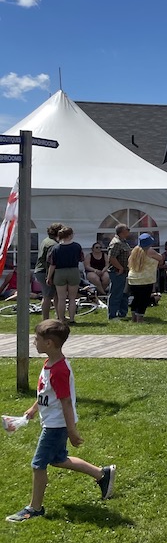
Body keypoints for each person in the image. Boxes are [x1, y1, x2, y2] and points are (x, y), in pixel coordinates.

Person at [5, 320, 116, 522]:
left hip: (56, 426)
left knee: (38, 465)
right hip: (53, 422)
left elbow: (65, 403)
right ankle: (102, 474)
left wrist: (72, 431)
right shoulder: (50, 364)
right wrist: (33, 408)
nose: (33, 342)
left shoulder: (59, 371)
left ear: (49, 343)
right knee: (58, 459)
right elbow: (47, 393)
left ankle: (34, 508)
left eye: (37, 339)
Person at [46, 226, 84, 325]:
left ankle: (61, 319)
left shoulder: (55, 248)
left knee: (61, 298)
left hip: (59, 272)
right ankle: (71, 319)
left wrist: (49, 277)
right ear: (70, 235)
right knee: (72, 298)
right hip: (73, 271)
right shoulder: (77, 246)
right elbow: (81, 259)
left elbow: (52, 264)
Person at [127, 233, 162, 323]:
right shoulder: (150, 251)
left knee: (136, 298)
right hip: (145, 279)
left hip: (133, 279)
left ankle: (134, 318)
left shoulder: (135, 250)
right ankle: (140, 319)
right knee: (143, 300)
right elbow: (160, 258)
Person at [34, 223, 62, 321]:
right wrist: (49, 276)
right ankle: (45, 319)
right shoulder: (52, 244)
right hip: (44, 271)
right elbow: (49, 261)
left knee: (55, 295)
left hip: (41, 271)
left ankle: (59, 316)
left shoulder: (46, 240)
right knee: (47, 296)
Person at [106, 224, 132, 320]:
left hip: (125, 272)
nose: (129, 231)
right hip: (117, 272)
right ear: (121, 232)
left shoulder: (123, 242)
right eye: (127, 229)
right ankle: (112, 315)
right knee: (116, 293)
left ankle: (122, 313)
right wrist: (120, 268)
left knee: (124, 293)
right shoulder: (116, 243)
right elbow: (112, 258)